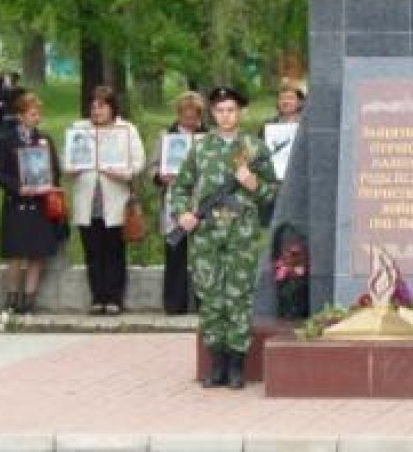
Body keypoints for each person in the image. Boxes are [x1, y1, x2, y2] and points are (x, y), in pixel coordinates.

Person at [169, 86, 275, 390]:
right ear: (212, 114)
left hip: (241, 234)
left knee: (239, 298)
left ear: (239, 113)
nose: (226, 116)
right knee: (211, 297)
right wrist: (182, 215)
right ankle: (216, 363)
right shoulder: (200, 148)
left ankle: (237, 366)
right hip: (206, 235)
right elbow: (180, 188)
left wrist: (253, 183)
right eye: (220, 111)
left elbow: (272, 193)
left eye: (231, 110)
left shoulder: (254, 149)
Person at [65, 86, 145, 315]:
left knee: (114, 250)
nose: (96, 110)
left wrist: (122, 172)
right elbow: (66, 160)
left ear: (112, 108)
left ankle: (114, 298)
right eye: (93, 106)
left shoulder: (126, 129)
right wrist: (71, 168)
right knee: (92, 249)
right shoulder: (78, 129)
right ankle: (97, 297)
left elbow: (138, 161)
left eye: (101, 106)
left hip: (115, 197)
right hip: (87, 198)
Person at [0, 92, 64, 315]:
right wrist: (17, 187)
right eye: (33, 113)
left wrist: (48, 183)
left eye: (39, 113)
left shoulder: (44, 139)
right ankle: (12, 297)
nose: (37, 117)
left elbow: (55, 170)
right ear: (21, 116)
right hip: (17, 202)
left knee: (37, 253)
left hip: (40, 203)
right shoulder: (6, 140)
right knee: (15, 253)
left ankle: (29, 298)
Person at [150, 91, 207, 315]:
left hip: (203, 199)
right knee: (175, 251)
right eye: (186, 116)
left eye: (194, 116)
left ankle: (205, 303)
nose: (190, 121)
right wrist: (160, 177)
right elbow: (152, 167)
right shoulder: (166, 137)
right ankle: (175, 303)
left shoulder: (209, 136)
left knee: (203, 252)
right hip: (175, 198)